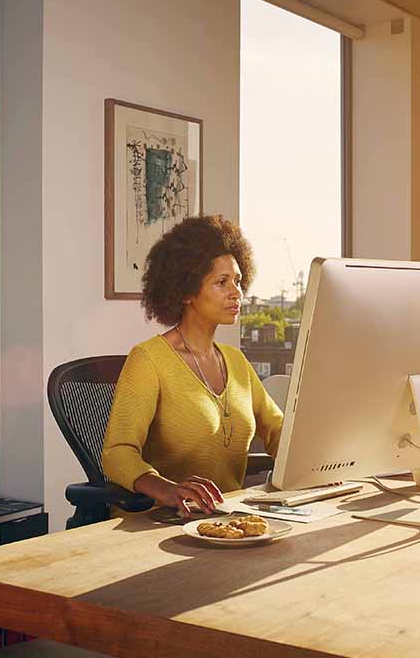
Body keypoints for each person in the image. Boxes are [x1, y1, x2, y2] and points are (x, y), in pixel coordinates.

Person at [101, 215, 284, 518]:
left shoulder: (236, 362)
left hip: (224, 521)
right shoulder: (148, 360)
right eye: (221, 282)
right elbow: (117, 452)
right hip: (159, 523)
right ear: (186, 291)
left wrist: (323, 461)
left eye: (238, 281)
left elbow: (277, 429)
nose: (236, 292)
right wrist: (164, 488)